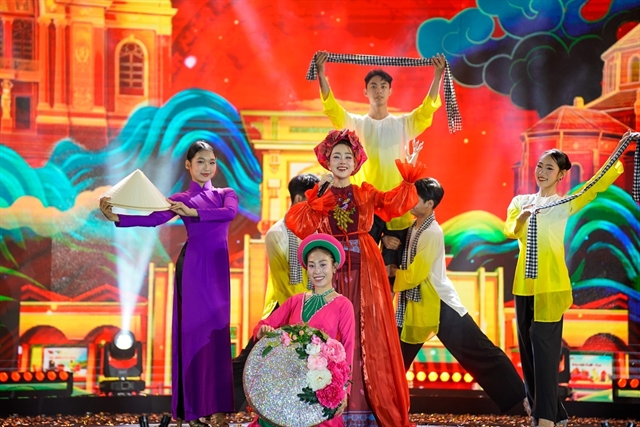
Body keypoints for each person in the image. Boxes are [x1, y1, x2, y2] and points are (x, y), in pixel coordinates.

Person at [286, 129, 425, 427]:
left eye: (347, 157)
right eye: (336, 156)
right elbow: (298, 223)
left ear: (356, 162)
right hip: (330, 273)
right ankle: (327, 408)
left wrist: (409, 176)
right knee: (329, 334)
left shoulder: (365, 193)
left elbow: (393, 203)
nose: (342, 161)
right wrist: (317, 197)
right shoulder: (320, 195)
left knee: (366, 336)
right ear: (327, 161)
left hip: (366, 273)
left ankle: (367, 409)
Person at [99, 140, 237, 427]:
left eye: (211, 162)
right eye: (200, 162)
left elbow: (229, 213)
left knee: (217, 337)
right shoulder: (181, 198)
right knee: (193, 337)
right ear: (188, 165)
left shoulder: (226, 194)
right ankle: (192, 411)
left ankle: (219, 409)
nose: (207, 167)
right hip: (193, 269)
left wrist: (193, 213)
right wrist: (116, 217)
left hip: (217, 269)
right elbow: (154, 219)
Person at [504, 148, 624, 427]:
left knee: (545, 355)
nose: (542, 172)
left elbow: (594, 186)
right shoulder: (520, 201)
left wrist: (619, 152)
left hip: (551, 286)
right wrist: (522, 217)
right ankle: (549, 414)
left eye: (549, 168)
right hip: (524, 286)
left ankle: (546, 418)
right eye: (540, 166)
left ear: (561, 175)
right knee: (528, 355)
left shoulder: (564, 203)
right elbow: (510, 230)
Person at [392, 178, 525, 413]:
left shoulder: (431, 232)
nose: (410, 201)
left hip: (440, 303)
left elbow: (415, 275)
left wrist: (391, 273)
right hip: (417, 304)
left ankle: (522, 398)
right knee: (396, 359)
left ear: (430, 203)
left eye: (416, 197)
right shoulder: (414, 227)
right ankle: (383, 406)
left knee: (479, 352)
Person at [315, 51, 445, 280]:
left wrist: (437, 75)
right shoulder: (355, 124)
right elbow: (332, 107)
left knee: (392, 273)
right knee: (357, 270)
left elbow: (427, 110)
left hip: (397, 209)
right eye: (373, 86)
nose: (378, 90)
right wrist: (321, 73)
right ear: (365, 92)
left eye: (383, 86)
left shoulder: (403, 124)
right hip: (365, 208)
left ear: (390, 91)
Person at [231, 173, 319, 412]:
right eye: (316, 197)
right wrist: (307, 316)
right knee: (249, 362)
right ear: (300, 198)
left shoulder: (319, 229)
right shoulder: (277, 233)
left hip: (315, 305)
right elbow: (285, 284)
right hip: (283, 308)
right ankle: (216, 405)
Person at [248, 233, 355, 427]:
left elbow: (348, 348)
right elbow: (264, 324)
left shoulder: (343, 305)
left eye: (323, 264)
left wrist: (344, 390)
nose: (317, 271)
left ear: (334, 266)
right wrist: (263, 330)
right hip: (289, 383)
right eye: (312, 265)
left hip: (319, 384)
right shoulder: (296, 300)